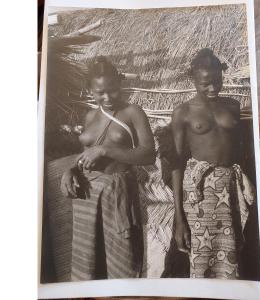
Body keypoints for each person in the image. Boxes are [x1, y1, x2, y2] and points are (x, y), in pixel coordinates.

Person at [45, 56, 155, 281]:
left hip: (116, 196)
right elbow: (85, 155)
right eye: (99, 92)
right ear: (90, 90)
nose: (107, 97)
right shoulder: (90, 116)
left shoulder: (133, 112)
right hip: (86, 196)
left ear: (120, 84)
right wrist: (71, 170)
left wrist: (106, 150)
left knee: (122, 262)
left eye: (113, 90)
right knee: (88, 262)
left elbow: (148, 154)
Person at [170, 48, 255, 279]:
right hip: (200, 193)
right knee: (201, 259)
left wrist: (244, 181)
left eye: (217, 82)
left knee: (231, 254)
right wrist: (179, 218)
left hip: (229, 189)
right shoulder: (183, 112)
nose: (213, 88)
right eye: (205, 83)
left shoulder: (232, 106)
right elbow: (176, 164)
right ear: (193, 79)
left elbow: (242, 150)